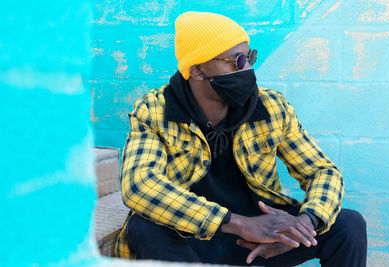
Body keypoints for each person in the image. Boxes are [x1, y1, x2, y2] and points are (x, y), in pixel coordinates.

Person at [114, 11, 367, 266]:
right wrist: (239, 224)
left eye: (249, 57)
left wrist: (305, 223)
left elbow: (322, 171)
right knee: (144, 226)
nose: (248, 69)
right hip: (195, 237)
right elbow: (139, 184)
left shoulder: (270, 106)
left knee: (348, 224)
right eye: (237, 61)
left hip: (260, 241)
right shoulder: (156, 111)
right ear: (198, 71)